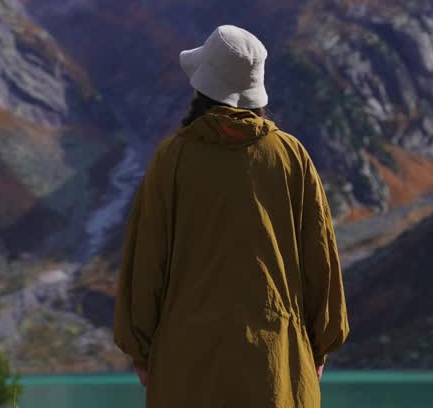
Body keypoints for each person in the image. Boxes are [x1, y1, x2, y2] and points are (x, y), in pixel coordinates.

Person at [114, 24, 349, 407]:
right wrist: (318, 346)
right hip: (276, 365)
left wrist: (141, 351)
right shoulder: (291, 157)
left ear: (203, 87)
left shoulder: (172, 159)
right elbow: (320, 260)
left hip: (185, 368)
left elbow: (146, 265)